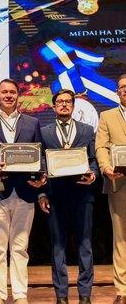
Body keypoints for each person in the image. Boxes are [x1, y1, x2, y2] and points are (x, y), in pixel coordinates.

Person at [0, 78, 47, 304]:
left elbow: (40, 154)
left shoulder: (32, 122)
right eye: (4, 92)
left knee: (20, 246)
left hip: (25, 191)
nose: (8, 96)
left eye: (12, 92)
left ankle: (20, 294)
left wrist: (42, 176)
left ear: (18, 95)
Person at [39, 89, 98, 304]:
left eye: (67, 102)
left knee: (85, 246)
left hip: (83, 195)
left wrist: (93, 175)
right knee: (58, 246)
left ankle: (85, 294)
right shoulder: (44, 132)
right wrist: (42, 193)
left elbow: (94, 160)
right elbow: (41, 163)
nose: (64, 105)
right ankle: (61, 295)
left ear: (73, 106)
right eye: (60, 102)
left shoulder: (87, 129)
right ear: (53, 107)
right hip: (56, 196)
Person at [95, 73, 126, 304]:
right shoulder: (106, 116)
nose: (125, 90)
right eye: (122, 87)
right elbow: (101, 147)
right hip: (118, 182)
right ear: (117, 92)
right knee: (121, 238)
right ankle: (122, 290)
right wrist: (105, 168)